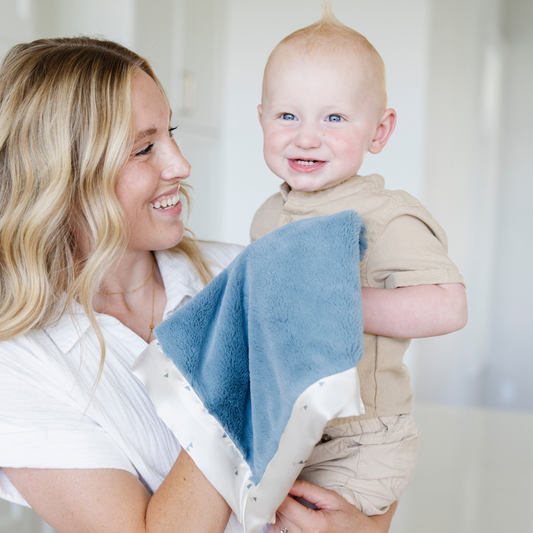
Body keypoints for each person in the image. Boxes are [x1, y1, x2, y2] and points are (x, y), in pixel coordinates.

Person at [0, 37, 398, 533]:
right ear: (62, 176)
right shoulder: (17, 365)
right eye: (145, 148)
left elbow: (368, 432)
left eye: (170, 132)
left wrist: (366, 526)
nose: (181, 165)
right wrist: (244, 349)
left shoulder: (240, 268)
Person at [250, 7, 468, 519]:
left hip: (363, 437)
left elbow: (448, 307)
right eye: (287, 116)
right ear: (260, 117)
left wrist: (334, 302)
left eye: (334, 117)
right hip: (291, 426)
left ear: (379, 131)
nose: (306, 136)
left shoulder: (385, 215)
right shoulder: (268, 216)